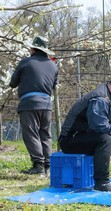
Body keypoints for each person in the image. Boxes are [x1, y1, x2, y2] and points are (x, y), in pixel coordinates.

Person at [9, 36, 58, 175]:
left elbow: (13, 83)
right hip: (46, 104)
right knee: (45, 134)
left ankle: (38, 164)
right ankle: (48, 165)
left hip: (29, 103)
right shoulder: (53, 66)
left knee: (31, 133)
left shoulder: (26, 62)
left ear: (33, 49)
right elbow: (54, 85)